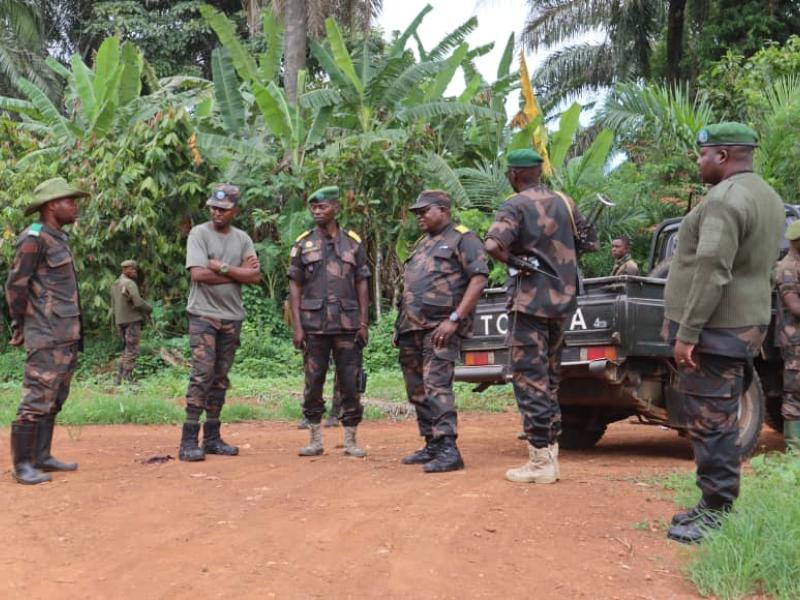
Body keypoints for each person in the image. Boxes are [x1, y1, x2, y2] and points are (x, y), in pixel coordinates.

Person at [664, 123, 784, 544]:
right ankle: (711, 503)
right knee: (716, 416)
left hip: (717, 328)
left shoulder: (725, 199)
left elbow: (712, 268)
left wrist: (688, 330)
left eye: (702, 155)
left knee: (711, 423)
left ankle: (716, 512)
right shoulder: (767, 195)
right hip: (742, 324)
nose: (699, 163)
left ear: (723, 156)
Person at [485, 149, 596, 484]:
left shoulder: (515, 204)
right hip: (563, 302)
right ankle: (551, 453)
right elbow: (590, 242)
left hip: (529, 303)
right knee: (549, 377)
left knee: (528, 378)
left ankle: (539, 460)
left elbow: (492, 245)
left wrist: (516, 262)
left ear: (515, 174)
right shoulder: (566, 201)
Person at [395, 190, 488, 473]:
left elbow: (479, 278)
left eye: (425, 211)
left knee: (436, 385)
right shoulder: (423, 243)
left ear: (443, 210)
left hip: (440, 327)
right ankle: (432, 443)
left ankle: (449, 448)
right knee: (417, 389)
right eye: (417, 213)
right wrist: (400, 325)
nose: (419, 216)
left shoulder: (463, 238)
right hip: (412, 327)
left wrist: (455, 318)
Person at [5, 177, 89, 484]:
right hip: (44, 332)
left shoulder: (58, 237)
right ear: (52, 205)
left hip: (66, 332)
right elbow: (15, 286)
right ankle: (23, 464)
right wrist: (20, 324)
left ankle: (42, 456)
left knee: (55, 398)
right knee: (36, 397)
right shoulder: (34, 238)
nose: (75, 206)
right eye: (69, 201)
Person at [178, 184, 261, 462]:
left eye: (223, 209)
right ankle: (189, 439)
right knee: (202, 373)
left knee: (220, 377)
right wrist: (238, 274)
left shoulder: (242, 238)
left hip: (231, 316)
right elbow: (198, 274)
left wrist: (222, 267)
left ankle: (212, 438)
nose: (217, 212)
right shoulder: (199, 234)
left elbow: (255, 276)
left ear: (235, 210)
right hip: (203, 314)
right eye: (214, 207)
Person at [288, 185, 370, 457]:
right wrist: (297, 326)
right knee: (314, 382)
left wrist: (363, 322)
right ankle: (314, 439)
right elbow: (295, 286)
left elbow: (362, 283)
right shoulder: (303, 244)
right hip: (314, 326)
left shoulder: (352, 243)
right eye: (313, 207)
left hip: (347, 325)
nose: (316, 211)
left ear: (336, 208)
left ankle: (351, 440)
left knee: (350, 382)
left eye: (322, 206)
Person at [773, 220, 800, 451]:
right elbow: (794, 306)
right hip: (794, 341)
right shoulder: (787, 267)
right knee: (794, 390)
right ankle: (794, 447)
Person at [110, 259, 152, 385]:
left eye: (135, 269)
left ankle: (118, 379)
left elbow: (113, 305)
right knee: (132, 350)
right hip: (132, 320)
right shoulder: (130, 284)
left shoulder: (115, 284)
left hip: (120, 320)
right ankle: (128, 379)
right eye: (131, 269)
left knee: (126, 350)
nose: (134, 271)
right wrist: (149, 308)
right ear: (125, 270)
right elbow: (138, 302)